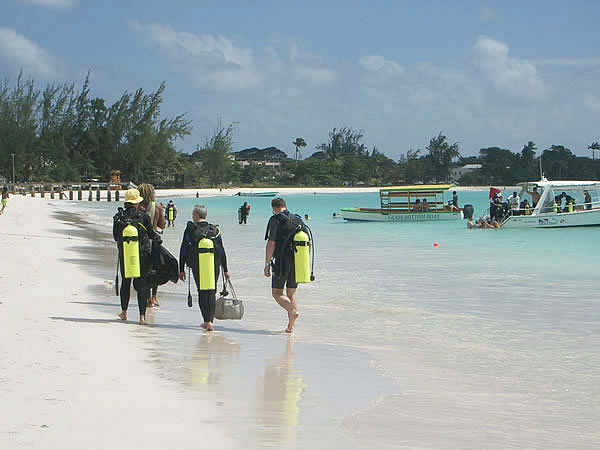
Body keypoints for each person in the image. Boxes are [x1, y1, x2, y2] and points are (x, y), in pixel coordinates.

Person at [113, 188, 162, 325]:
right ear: (136, 202)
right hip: (142, 255)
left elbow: (116, 237)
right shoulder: (143, 216)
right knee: (142, 284)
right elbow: (152, 234)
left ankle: (124, 312)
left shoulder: (118, 217)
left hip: (125, 254)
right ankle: (141, 317)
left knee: (126, 283)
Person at [179, 205, 230, 331]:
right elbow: (222, 250)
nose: (192, 216)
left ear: (196, 215)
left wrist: (181, 269)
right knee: (211, 291)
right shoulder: (214, 230)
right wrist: (226, 269)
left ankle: (206, 320)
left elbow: (184, 249)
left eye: (193, 214)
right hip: (214, 264)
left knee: (202, 291)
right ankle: (210, 322)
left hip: (197, 264)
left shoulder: (190, 229)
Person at [264, 198, 310, 333]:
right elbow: (309, 243)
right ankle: (291, 326)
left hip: (281, 261)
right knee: (292, 293)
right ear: (285, 206)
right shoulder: (298, 219)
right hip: (298, 260)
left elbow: (271, 243)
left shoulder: (275, 220)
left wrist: (267, 263)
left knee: (277, 292)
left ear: (274, 208)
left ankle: (292, 311)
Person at [138, 183, 166, 308]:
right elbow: (162, 225)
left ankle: (147, 296)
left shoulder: (138, 208)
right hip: (153, 241)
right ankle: (154, 297)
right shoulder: (158, 207)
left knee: (144, 270)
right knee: (155, 269)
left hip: (140, 242)